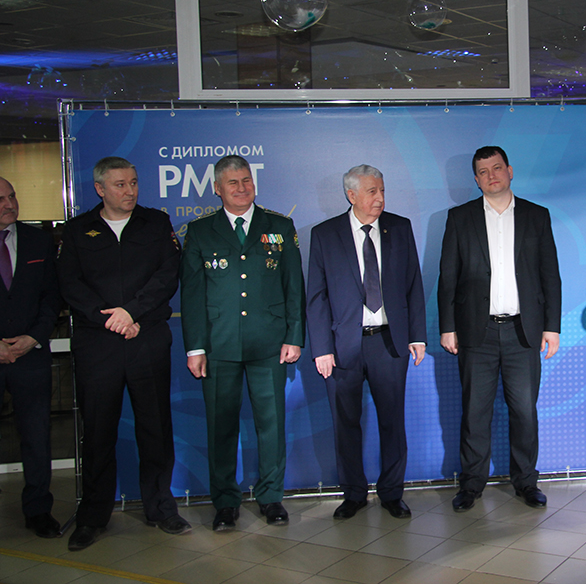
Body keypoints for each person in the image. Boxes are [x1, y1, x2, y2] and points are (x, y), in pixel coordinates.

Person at [57, 157, 189, 551]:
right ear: (100, 189)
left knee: (155, 427)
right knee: (98, 431)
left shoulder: (156, 223)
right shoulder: (77, 229)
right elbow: (70, 284)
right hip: (98, 345)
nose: (129, 191)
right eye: (119, 185)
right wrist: (112, 320)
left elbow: (168, 274)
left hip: (146, 337)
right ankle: (93, 516)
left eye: (133, 182)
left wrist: (132, 313)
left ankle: (160, 507)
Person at [180, 155, 305, 531]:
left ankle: (271, 497)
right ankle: (225, 502)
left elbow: (294, 286)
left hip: (269, 344)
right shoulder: (200, 231)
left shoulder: (279, 226)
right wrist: (195, 348)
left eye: (247, 180)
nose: (241, 188)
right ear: (217, 188)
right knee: (221, 427)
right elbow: (192, 295)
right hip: (219, 347)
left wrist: (294, 336)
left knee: (272, 425)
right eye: (232, 182)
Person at [438, 146, 561, 512]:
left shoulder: (536, 216)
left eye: (496, 168)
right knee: (475, 413)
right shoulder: (460, 218)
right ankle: (471, 484)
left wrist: (551, 327)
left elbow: (550, 276)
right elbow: (448, 277)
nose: (491, 176)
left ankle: (526, 482)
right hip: (477, 333)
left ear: (510, 171)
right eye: (483, 171)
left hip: (523, 332)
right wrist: (448, 327)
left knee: (524, 412)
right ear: (476, 180)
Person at [306, 165, 427, 520]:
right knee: (346, 424)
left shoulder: (399, 227)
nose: (380, 198)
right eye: (372, 191)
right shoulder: (325, 234)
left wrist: (417, 335)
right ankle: (353, 493)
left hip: (389, 342)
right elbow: (316, 297)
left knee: (392, 421)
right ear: (352, 195)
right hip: (343, 345)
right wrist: (322, 348)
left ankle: (392, 493)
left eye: (382, 190)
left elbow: (413, 285)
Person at [0, 177, 62, 539]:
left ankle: (38, 509)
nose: (9, 204)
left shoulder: (38, 240)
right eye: (1, 199)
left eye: (12, 196)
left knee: (36, 436)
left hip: (31, 355)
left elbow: (52, 296)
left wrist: (34, 336)